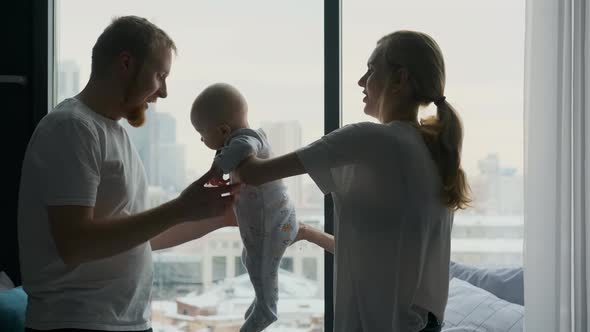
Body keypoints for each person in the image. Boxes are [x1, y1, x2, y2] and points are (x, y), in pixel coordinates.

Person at [234, 30, 470, 332]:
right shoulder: (434, 153)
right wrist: (307, 233)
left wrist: (236, 131)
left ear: (399, 79)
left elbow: (252, 173)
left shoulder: (368, 139)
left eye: (371, 70)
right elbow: (378, 256)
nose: (361, 81)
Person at [17, 16, 238, 332]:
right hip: (77, 323)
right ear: (125, 64)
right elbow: (75, 244)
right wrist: (181, 207)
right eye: (159, 75)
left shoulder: (112, 133)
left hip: (120, 323)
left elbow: (139, 237)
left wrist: (222, 216)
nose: (162, 92)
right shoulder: (72, 128)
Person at [191, 83, 298, 332]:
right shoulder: (236, 142)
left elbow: (242, 149)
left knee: (264, 268)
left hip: (274, 226)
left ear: (223, 129)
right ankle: (262, 299)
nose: (201, 138)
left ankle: (267, 310)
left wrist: (217, 170)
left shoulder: (248, 138)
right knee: (251, 261)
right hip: (264, 226)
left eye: (201, 132)